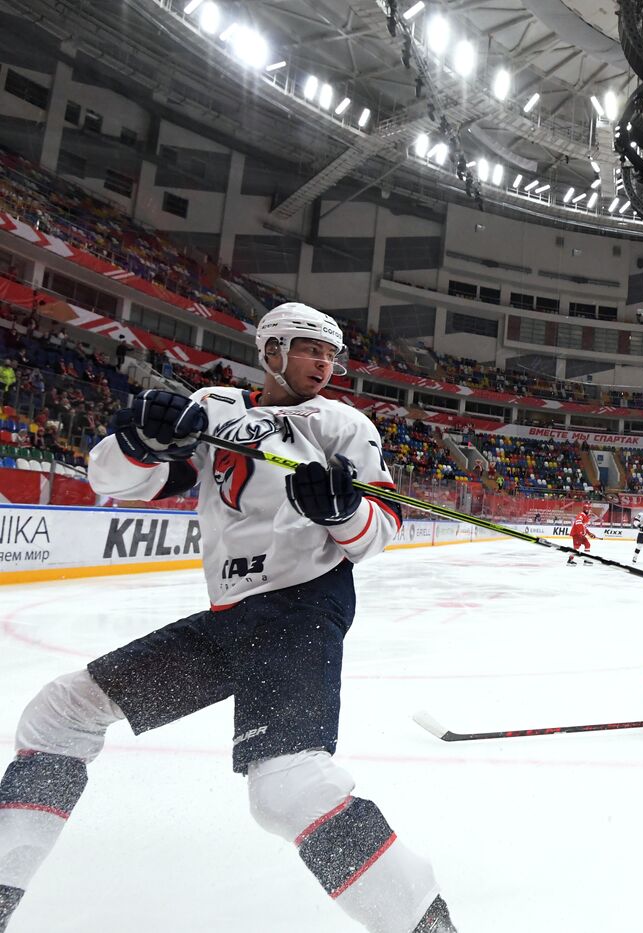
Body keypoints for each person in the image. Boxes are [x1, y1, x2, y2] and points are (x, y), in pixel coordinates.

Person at [0, 303, 457, 933]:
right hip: (229, 618)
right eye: (308, 350)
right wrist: (137, 441)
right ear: (270, 351)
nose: (324, 364)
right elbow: (121, 480)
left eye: (330, 354)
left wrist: (338, 511)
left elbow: (378, 532)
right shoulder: (214, 408)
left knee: (288, 788)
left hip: (301, 606)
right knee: (60, 714)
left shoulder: (343, 426)